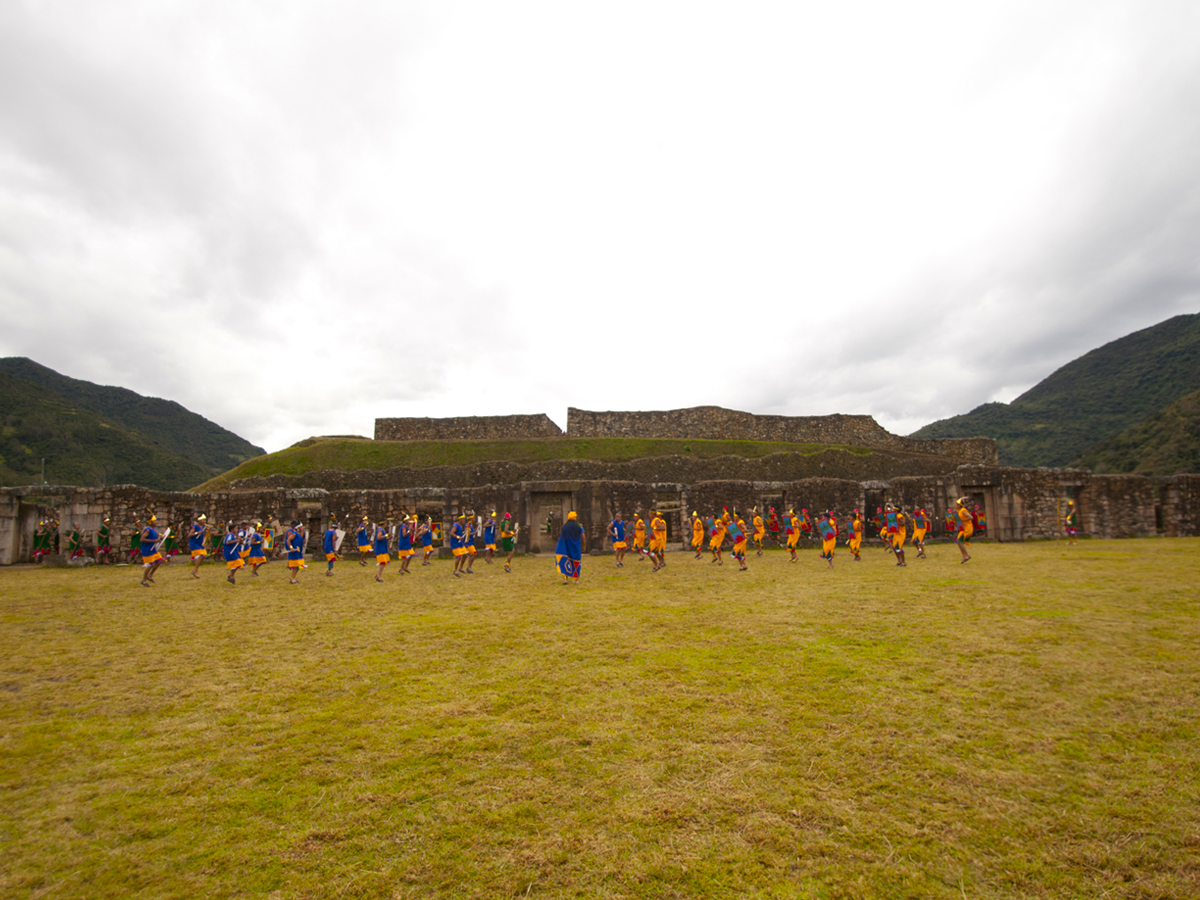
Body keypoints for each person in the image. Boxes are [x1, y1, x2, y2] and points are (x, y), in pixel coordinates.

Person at [555, 510, 585, 584]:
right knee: (576, 562)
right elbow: (583, 536)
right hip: (576, 547)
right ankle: (576, 580)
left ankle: (566, 579)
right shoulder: (579, 526)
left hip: (566, 546)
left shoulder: (565, 526)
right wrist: (584, 545)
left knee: (566, 561)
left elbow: (561, 537)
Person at [139, 515, 164, 587]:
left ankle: (150, 576)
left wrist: (160, 537)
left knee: (159, 561)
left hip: (153, 549)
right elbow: (142, 539)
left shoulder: (154, 529)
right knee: (150, 565)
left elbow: (155, 535)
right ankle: (144, 580)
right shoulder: (147, 530)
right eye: (154, 521)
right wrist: (153, 540)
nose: (156, 522)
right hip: (147, 550)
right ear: (150, 522)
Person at [189, 514, 209, 578]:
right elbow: (189, 535)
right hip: (194, 544)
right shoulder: (195, 526)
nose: (204, 521)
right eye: (203, 520)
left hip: (200, 544)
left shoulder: (202, 527)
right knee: (201, 555)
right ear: (199, 520)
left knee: (204, 556)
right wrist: (197, 533)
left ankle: (195, 569)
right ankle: (195, 570)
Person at [955, 497, 974, 563]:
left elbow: (971, 517)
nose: (955, 505)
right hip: (963, 529)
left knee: (959, 541)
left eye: (956, 504)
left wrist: (962, 520)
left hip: (968, 528)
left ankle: (967, 556)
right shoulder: (958, 511)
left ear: (959, 505)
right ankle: (965, 556)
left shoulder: (963, 510)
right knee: (958, 541)